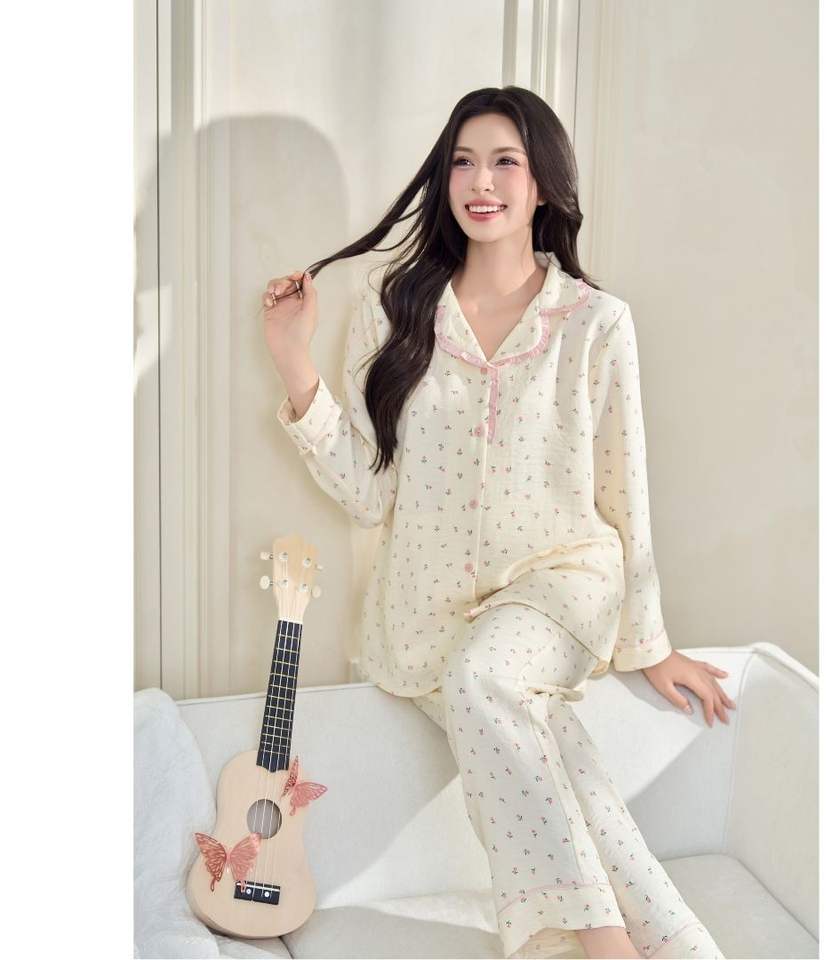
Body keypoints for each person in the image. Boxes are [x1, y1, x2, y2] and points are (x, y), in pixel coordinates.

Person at [262, 86, 734, 960]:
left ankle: (599, 943)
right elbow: (369, 493)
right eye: (464, 163)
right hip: (429, 608)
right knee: (555, 754)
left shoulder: (595, 323)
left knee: (484, 678)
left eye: (505, 162)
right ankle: (672, 943)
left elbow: (623, 484)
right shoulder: (393, 309)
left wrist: (651, 642)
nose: (481, 183)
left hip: (562, 583)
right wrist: (294, 359)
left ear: (542, 182)